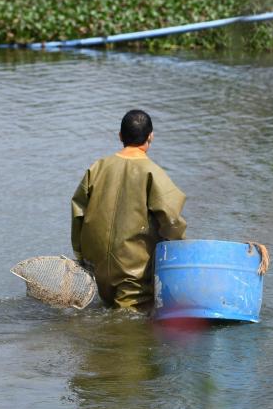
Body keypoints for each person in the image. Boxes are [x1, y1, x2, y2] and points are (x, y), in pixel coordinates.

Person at [71, 109, 188, 310]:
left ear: (120, 136)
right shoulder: (153, 172)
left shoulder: (97, 168)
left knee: (106, 314)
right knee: (130, 324)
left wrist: (81, 256)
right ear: (151, 136)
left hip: (96, 265)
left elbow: (78, 213)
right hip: (132, 272)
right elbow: (172, 221)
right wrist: (182, 254)